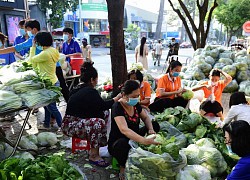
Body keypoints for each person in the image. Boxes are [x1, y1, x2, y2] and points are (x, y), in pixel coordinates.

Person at [61, 62, 122, 167]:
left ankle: (97, 145)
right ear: (92, 79)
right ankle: (93, 155)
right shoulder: (89, 91)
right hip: (70, 126)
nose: (96, 82)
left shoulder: (79, 88)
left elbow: (98, 107)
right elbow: (103, 105)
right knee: (98, 122)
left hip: (74, 122)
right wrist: (117, 98)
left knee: (104, 114)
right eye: (96, 79)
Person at [108, 80, 160, 180]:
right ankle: (122, 167)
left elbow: (145, 118)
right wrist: (143, 140)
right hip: (119, 142)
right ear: (124, 95)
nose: (137, 98)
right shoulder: (117, 107)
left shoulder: (135, 105)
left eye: (138, 95)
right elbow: (124, 130)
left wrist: (150, 129)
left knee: (155, 124)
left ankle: (141, 146)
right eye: (134, 96)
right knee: (122, 144)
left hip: (134, 138)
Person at [27, 32, 62, 130]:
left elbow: (31, 60)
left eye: (37, 42)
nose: (36, 43)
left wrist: (33, 47)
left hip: (49, 83)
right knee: (47, 106)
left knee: (52, 107)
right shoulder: (52, 50)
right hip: (52, 81)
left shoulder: (45, 53)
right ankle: (46, 124)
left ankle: (63, 127)